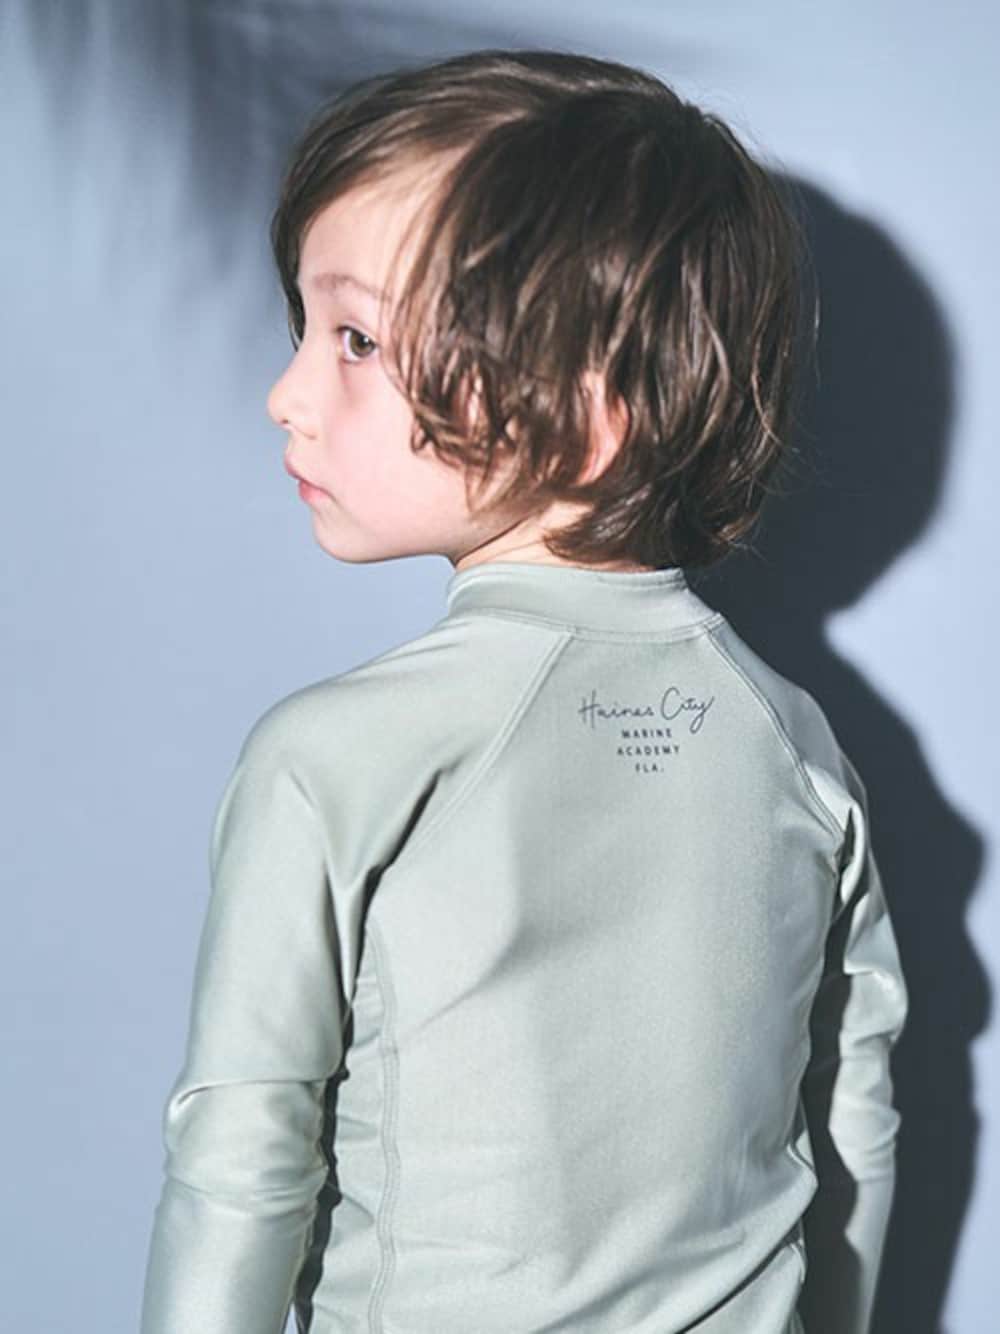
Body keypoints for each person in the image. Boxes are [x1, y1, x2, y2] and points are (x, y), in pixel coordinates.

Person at [138, 48, 908, 1334]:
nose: (287, 395)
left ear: (590, 415)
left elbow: (239, 1163)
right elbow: (854, 1126)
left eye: (355, 339)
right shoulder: (794, 743)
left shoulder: (337, 756)